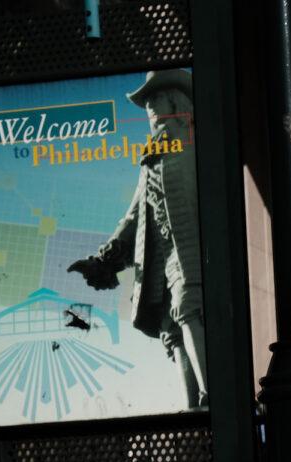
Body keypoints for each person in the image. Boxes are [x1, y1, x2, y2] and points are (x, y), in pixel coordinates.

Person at [67, 69, 207, 409]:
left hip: (197, 252)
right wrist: (103, 261)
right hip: (165, 261)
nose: (150, 112)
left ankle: (209, 395)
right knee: (172, 328)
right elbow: (132, 218)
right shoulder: (152, 160)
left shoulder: (203, 147)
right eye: (148, 106)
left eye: (154, 101)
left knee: (188, 309)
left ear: (176, 102)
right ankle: (193, 408)